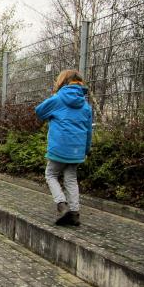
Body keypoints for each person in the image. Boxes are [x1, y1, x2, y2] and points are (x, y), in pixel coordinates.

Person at [35, 69, 92, 226]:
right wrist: (86, 150)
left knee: (51, 174)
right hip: (77, 151)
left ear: (62, 82)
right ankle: (74, 214)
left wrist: (53, 101)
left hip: (59, 148)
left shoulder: (58, 99)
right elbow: (89, 131)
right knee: (71, 178)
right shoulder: (86, 106)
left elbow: (39, 111)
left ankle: (62, 205)